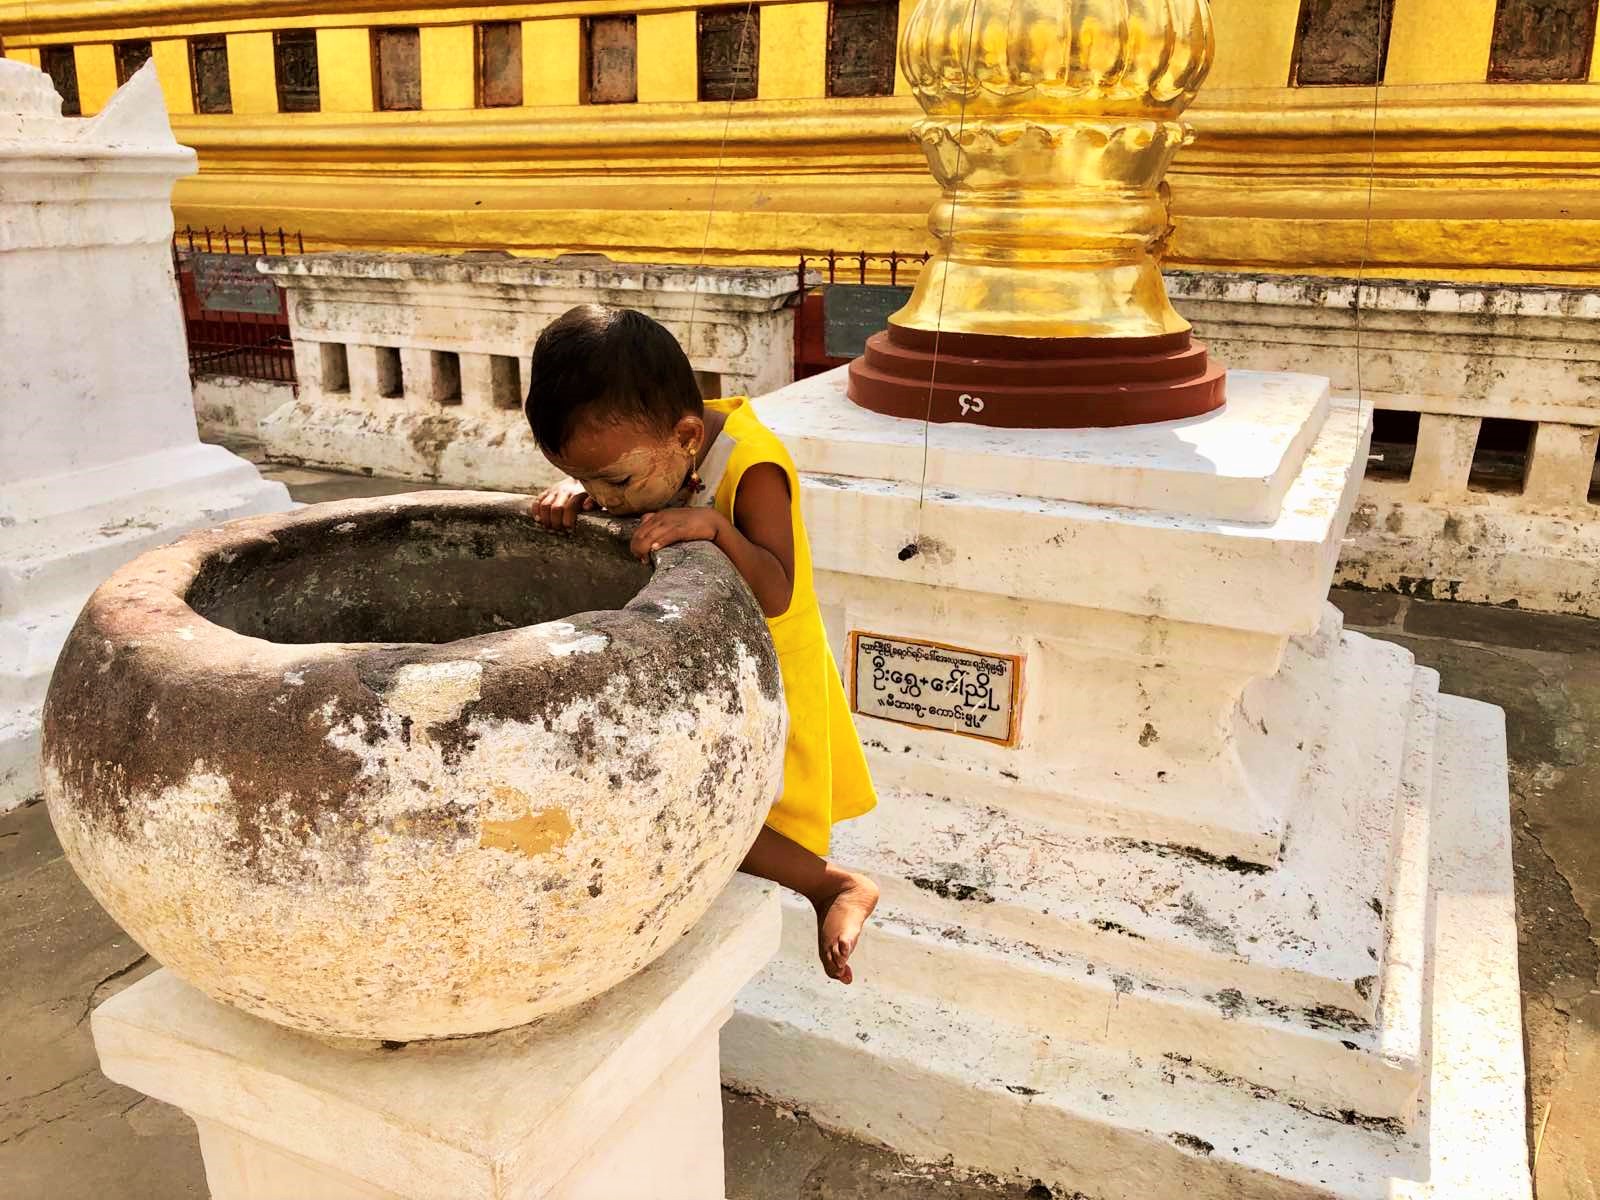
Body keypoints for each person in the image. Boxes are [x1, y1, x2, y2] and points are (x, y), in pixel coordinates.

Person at [526, 304, 879, 984]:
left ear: (689, 436)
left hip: (767, 665)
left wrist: (719, 530)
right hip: (701, 660)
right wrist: (580, 492)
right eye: (586, 479)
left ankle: (833, 884)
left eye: (616, 482)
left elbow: (777, 588)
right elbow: (616, 480)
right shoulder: (651, 444)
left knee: (728, 813)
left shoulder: (753, 465)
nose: (607, 499)